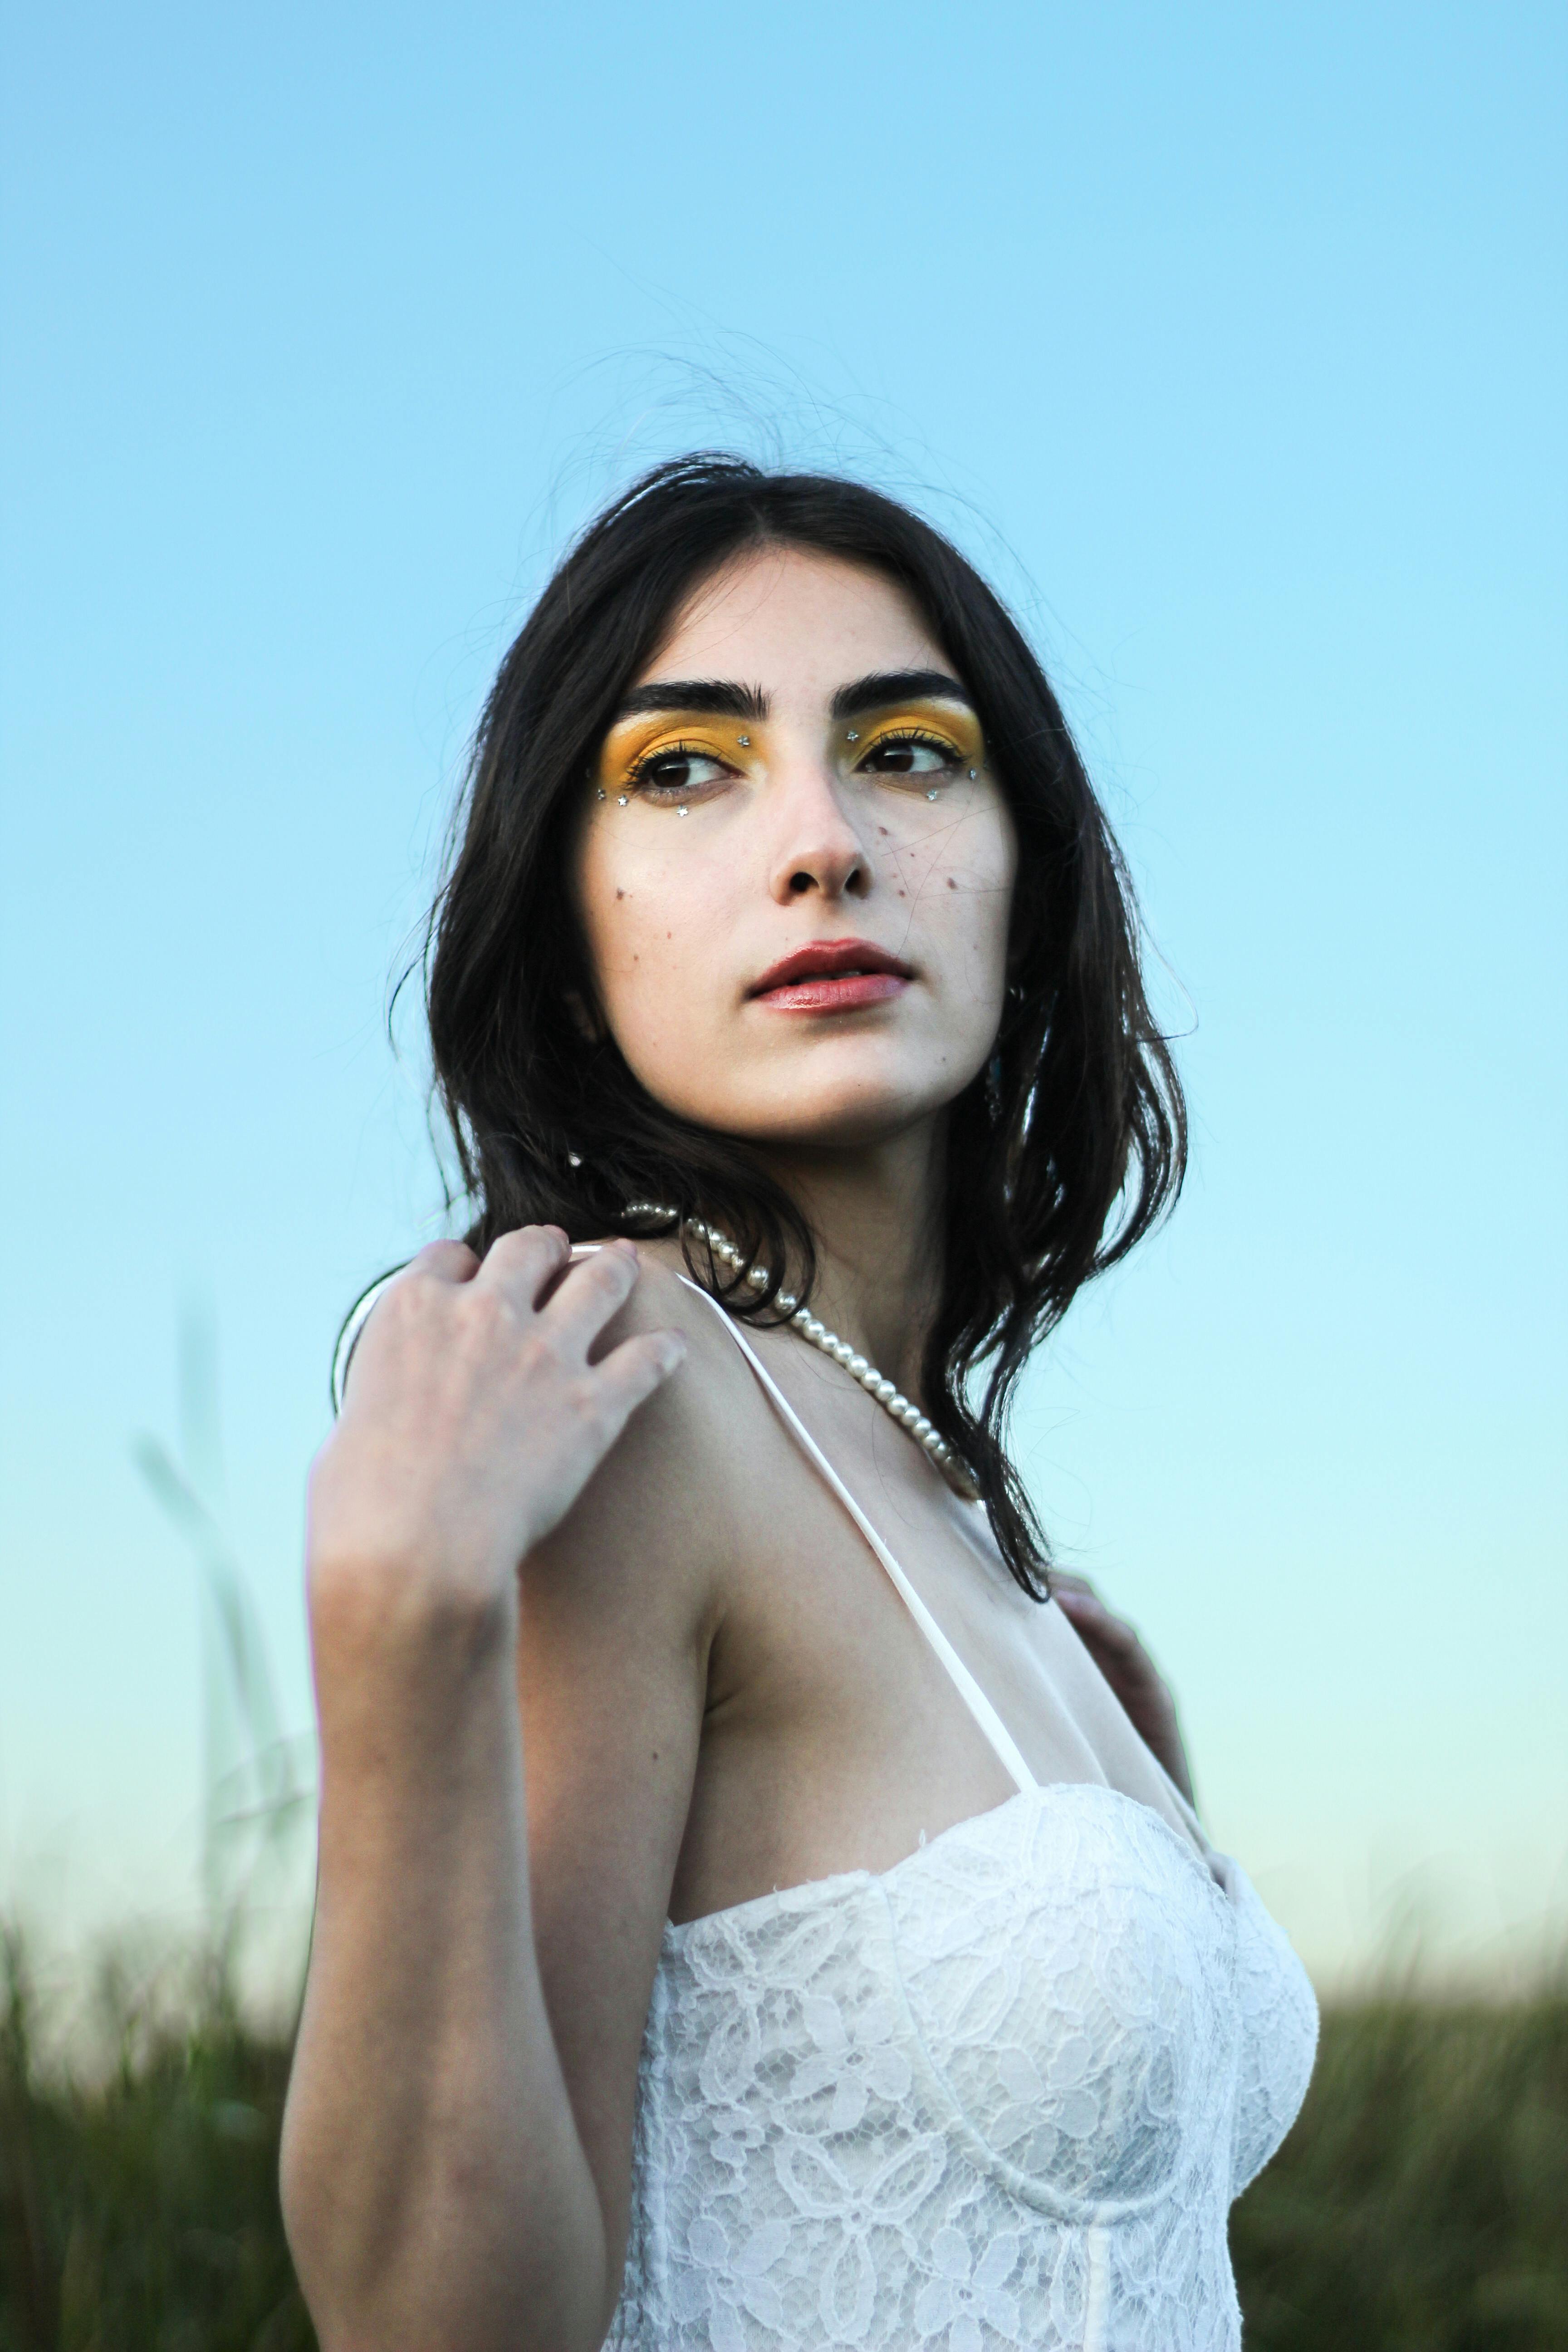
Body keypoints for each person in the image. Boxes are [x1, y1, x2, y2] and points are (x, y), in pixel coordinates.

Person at [279, 456, 1318, 2352]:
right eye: (686, 769)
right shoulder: (629, 1395)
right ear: (573, 937)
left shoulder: (939, 1492)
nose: (823, 841)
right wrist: (394, 1628)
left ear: (1032, 876)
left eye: (909, 752)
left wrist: (1149, 1834)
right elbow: (438, 2325)